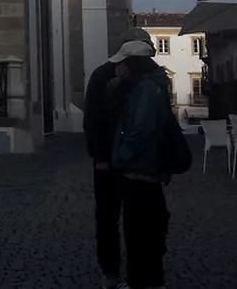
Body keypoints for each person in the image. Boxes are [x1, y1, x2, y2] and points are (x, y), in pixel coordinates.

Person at [83, 27, 154, 289]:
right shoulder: (103, 75)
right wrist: (100, 156)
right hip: (111, 160)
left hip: (135, 160)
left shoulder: (148, 76)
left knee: (136, 219)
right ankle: (111, 272)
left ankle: (139, 273)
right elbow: (93, 118)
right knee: (108, 218)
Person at [112, 41, 173, 289]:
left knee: (139, 230)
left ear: (133, 63)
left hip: (140, 169)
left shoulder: (146, 89)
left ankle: (141, 281)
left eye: (122, 62)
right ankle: (149, 279)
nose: (119, 67)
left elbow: (141, 129)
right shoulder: (147, 86)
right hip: (145, 168)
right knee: (147, 228)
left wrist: (121, 156)